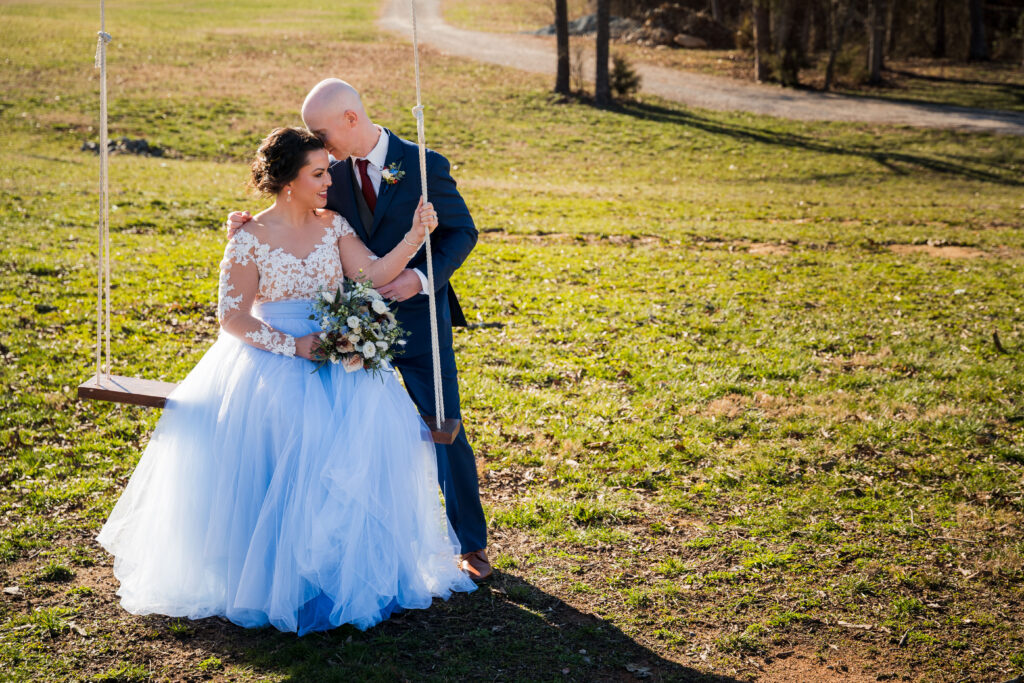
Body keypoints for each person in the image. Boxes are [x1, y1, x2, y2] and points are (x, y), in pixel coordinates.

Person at [97, 127, 476, 635]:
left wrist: (414, 236)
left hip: (338, 361)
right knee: (285, 450)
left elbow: (370, 275)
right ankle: (275, 579)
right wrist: (292, 346)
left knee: (354, 452)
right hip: (268, 360)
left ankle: (338, 574)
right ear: (287, 181)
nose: (329, 180)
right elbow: (232, 319)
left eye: (328, 171)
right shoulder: (249, 238)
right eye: (318, 173)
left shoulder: (334, 224)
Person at [227, 79, 491, 580]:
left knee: (443, 422)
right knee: (341, 433)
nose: (319, 144)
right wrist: (248, 225)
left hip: (413, 318)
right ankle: (353, 543)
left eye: (321, 132)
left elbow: (463, 231)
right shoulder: (328, 172)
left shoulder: (423, 165)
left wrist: (420, 277)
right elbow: (295, 215)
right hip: (337, 327)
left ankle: (470, 543)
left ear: (350, 119)